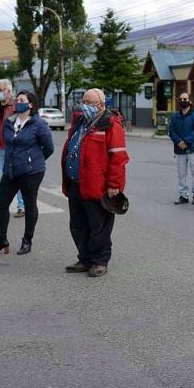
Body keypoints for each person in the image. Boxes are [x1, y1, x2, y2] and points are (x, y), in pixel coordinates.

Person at [61, 88, 129, 277]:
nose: (85, 106)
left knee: (99, 227)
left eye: (89, 103)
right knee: (77, 225)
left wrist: (114, 185)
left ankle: (100, 261)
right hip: (76, 183)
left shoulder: (110, 124)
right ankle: (85, 259)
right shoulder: (80, 122)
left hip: (96, 186)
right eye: (84, 101)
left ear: (101, 104)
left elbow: (118, 158)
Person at [0, 91, 54, 256]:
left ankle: (27, 241)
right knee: (1, 203)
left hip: (31, 172)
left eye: (22, 100)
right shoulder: (9, 122)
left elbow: (49, 148)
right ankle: (2, 240)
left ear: (31, 104)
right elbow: (6, 144)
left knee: (29, 205)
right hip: (11, 170)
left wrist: (33, 161)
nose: (17, 102)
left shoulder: (38, 124)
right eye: (17, 100)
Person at [0, 78, 24, 218]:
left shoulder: (17, 106)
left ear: (8, 91)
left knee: (18, 176)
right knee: (1, 177)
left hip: (14, 147)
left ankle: (22, 207)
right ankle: (2, 207)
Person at [168, 92, 194, 205]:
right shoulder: (175, 116)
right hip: (179, 149)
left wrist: (186, 141)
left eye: (185, 99)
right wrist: (178, 142)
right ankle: (183, 196)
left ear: (190, 101)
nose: (183, 101)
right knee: (181, 174)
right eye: (181, 98)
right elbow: (171, 131)